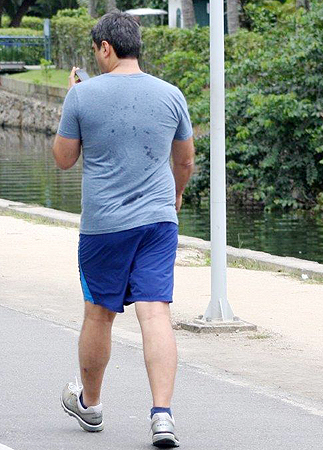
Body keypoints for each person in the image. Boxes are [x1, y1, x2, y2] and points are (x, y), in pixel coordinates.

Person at [52, 10, 194, 448]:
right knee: (156, 313)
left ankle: (91, 405)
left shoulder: (82, 96)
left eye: (97, 51)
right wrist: (175, 195)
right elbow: (184, 160)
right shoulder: (172, 94)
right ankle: (162, 417)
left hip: (104, 227)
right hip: (157, 223)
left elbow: (63, 159)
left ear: (106, 48)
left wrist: (71, 101)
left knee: (99, 313)